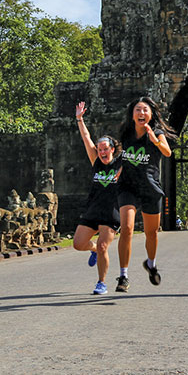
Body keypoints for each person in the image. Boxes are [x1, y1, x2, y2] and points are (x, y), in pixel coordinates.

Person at [114, 96, 174, 292]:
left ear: (151, 114)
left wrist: (155, 141)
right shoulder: (126, 132)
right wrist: (116, 171)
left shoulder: (157, 132)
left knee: (151, 233)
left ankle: (151, 264)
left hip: (150, 187)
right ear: (132, 114)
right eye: (138, 109)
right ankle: (123, 276)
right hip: (128, 186)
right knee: (127, 228)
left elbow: (167, 152)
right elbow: (122, 156)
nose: (141, 113)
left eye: (145, 110)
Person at [72, 101, 122, 295]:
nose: (102, 152)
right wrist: (79, 119)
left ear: (112, 149)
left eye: (105, 149)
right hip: (93, 210)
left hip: (111, 213)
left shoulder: (120, 165)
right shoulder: (96, 162)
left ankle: (101, 283)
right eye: (99, 149)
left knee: (103, 246)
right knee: (78, 244)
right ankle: (92, 250)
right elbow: (86, 138)